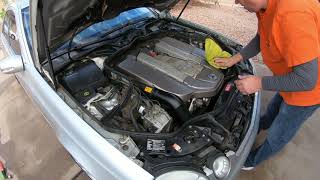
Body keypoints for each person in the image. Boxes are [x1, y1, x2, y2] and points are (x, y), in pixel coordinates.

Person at [215, 0, 320, 170]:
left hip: (309, 92)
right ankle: (255, 129)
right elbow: (262, 37)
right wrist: (236, 58)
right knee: (273, 111)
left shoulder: (292, 15)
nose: (236, 1)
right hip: (289, 78)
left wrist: (259, 83)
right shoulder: (266, 6)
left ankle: (251, 161)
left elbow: (306, 80)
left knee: (279, 134)